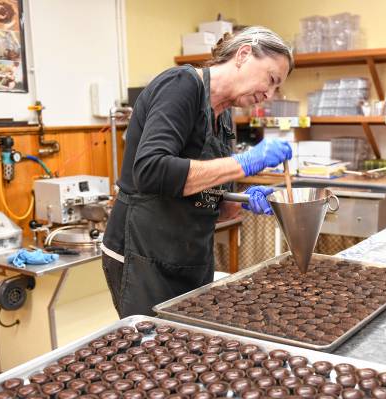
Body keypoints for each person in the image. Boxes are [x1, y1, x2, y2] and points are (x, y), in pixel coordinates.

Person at [102, 26, 294, 317]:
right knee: (153, 353)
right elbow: (150, 170)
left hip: (191, 258)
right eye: (271, 79)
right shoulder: (182, 85)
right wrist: (243, 163)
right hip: (144, 256)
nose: (269, 93)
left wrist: (241, 200)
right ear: (243, 55)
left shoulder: (226, 116)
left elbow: (210, 198)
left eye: (276, 88)